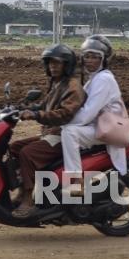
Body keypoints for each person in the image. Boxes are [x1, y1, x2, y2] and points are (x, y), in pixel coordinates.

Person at [9, 44, 85, 218]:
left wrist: (36, 115)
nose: (53, 66)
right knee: (14, 147)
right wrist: (23, 106)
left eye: (57, 63)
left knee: (27, 153)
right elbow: (46, 104)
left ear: (67, 65)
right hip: (49, 133)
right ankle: (22, 191)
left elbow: (65, 114)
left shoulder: (73, 86)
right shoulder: (57, 83)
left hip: (61, 134)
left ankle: (29, 200)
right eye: (50, 63)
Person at [60, 35, 128, 194]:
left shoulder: (103, 79)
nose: (90, 61)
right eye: (87, 56)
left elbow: (87, 114)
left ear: (103, 60)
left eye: (95, 57)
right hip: (99, 127)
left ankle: (76, 181)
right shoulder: (94, 79)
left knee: (69, 132)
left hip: (108, 130)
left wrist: (63, 122)